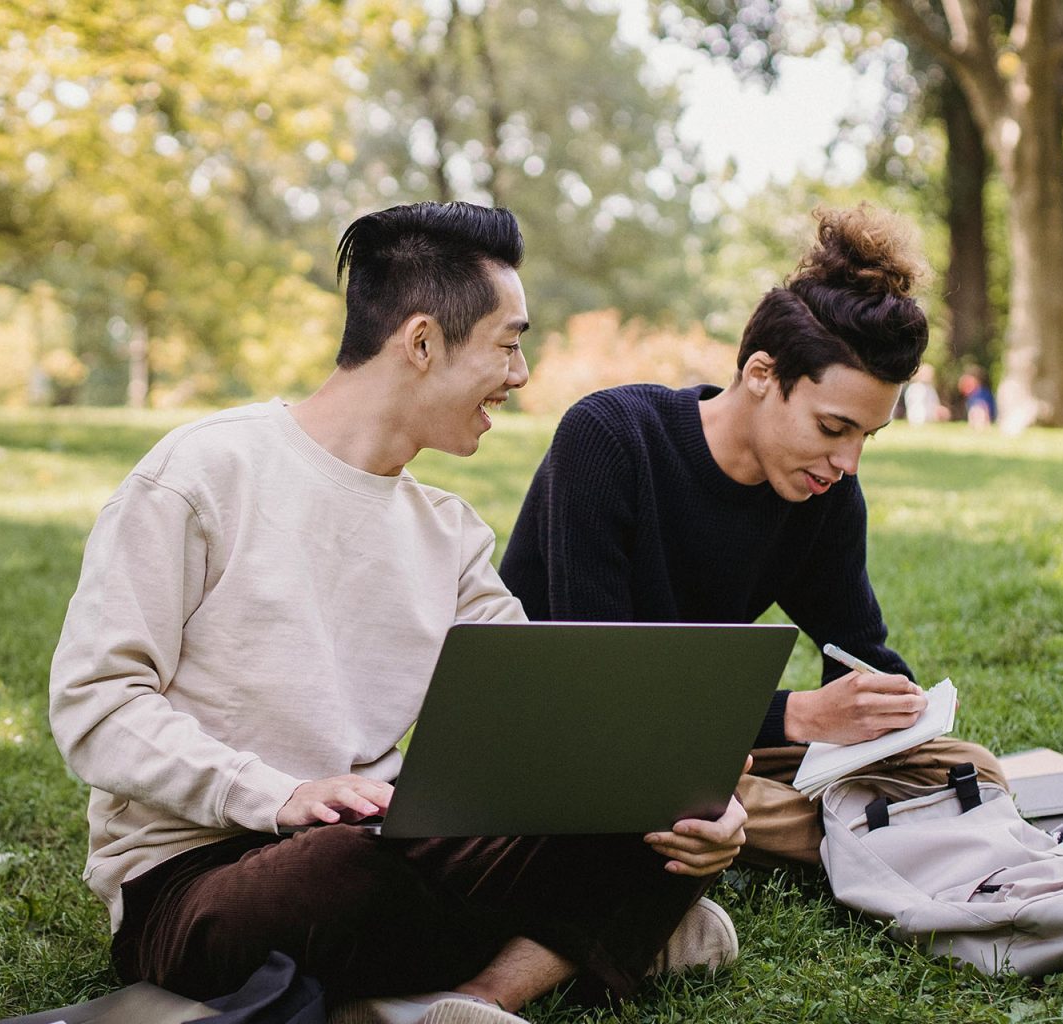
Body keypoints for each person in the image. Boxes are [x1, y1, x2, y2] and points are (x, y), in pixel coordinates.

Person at [48, 201, 747, 1024]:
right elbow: (96, 707)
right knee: (335, 876)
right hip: (203, 874)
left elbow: (554, 722)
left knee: (653, 819)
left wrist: (690, 803)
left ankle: (473, 1001)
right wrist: (276, 795)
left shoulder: (448, 532)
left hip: (386, 832)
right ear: (421, 342)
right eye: (510, 342)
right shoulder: (201, 474)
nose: (521, 376)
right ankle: (587, 940)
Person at [498, 205, 1005, 870]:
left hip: (701, 744)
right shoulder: (612, 439)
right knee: (658, 787)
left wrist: (890, 709)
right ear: (762, 375)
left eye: (865, 437)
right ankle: (859, 830)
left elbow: (858, 652)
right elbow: (602, 692)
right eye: (833, 428)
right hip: (571, 738)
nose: (848, 463)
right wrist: (799, 717)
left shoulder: (824, 493)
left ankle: (808, 823)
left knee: (971, 768)